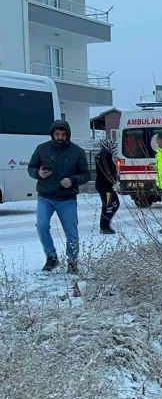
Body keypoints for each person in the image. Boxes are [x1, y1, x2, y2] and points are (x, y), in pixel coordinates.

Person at [27, 120, 89, 281]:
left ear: (68, 134)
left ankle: (72, 261)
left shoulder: (77, 152)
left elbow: (86, 174)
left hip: (67, 199)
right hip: (45, 197)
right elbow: (31, 168)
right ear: (52, 134)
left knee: (72, 233)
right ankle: (51, 258)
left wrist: (72, 180)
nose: (60, 137)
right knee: (41, 226)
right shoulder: (42, 149)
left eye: (63, 134)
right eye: (57, 134)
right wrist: (38, 174)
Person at [95, 139, 120, 234]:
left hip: (107, 186)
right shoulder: (105, 157)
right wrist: (114, 181)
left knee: (115, 204)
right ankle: (104, 226)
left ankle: (106, 224)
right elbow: (108, 172)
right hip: (106, 187)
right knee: (108, 206)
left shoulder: (103, 156)